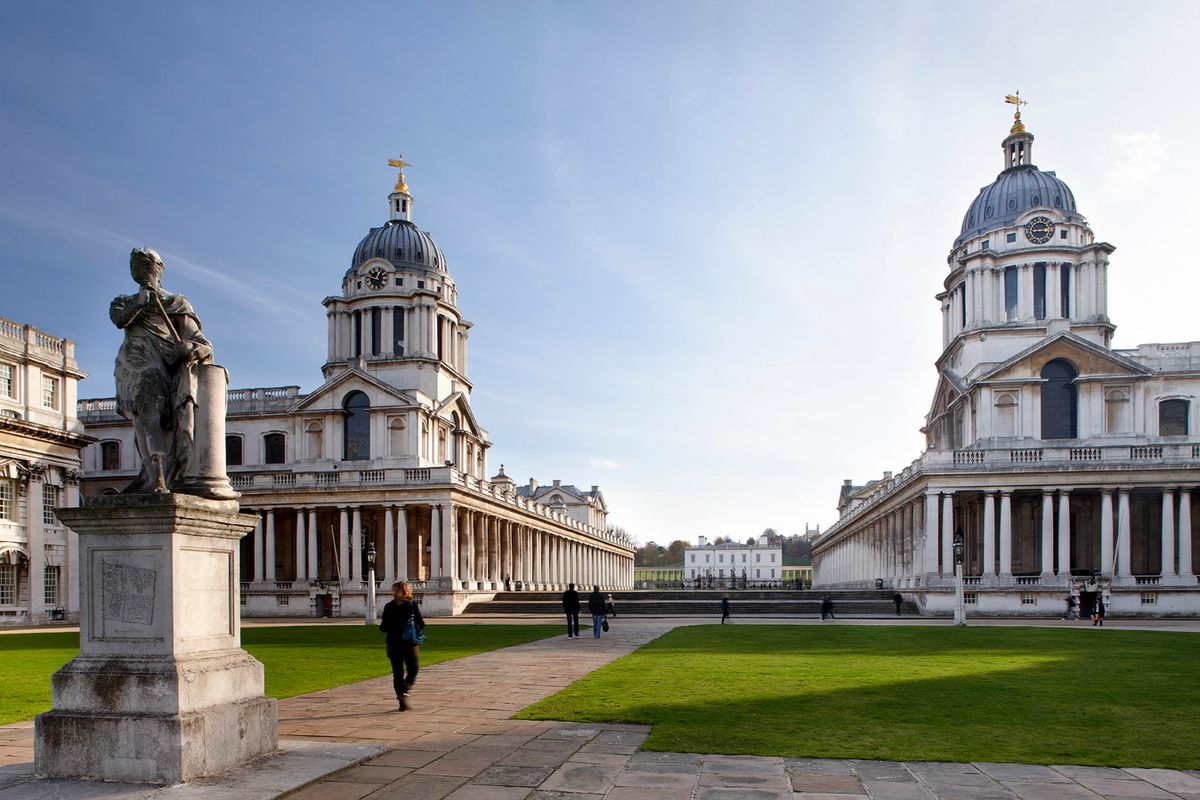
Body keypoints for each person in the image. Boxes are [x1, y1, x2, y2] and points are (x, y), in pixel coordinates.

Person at [110, 248, 215, 494]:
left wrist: (188, 349)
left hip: (159, 368)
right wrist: (139, 302)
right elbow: (118, 320)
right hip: (129, 367)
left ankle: (159, 478)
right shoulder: (124, 301)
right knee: (141, 425)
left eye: (147, 264)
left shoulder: (175, 303)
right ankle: (150, 475)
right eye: (135, 265)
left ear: (160, 270)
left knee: (148, 419)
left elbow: (203, 345)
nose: (141, 269)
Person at [379, 581, 424, 711]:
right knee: (413, 669)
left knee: (397, 673)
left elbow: (383, 627)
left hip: (393, 643)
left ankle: (401, 699)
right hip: (409, 643)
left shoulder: (388, 606)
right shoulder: (411, 605)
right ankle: (404, 690)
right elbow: (421, 623)